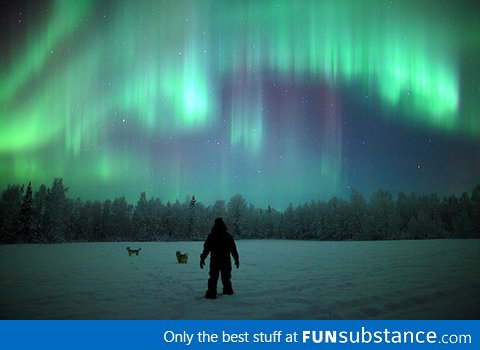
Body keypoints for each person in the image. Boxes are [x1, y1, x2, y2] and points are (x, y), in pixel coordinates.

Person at [200, 218, 239, 299]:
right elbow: (233, 249)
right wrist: (236, 259)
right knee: (226, 278)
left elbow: (206, 248)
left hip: (215, 261)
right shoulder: (227, 236)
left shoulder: (212, 236)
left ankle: (211, 293)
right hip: (225, 261)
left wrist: (203, 258)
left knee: (214, 277)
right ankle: (227, 292)